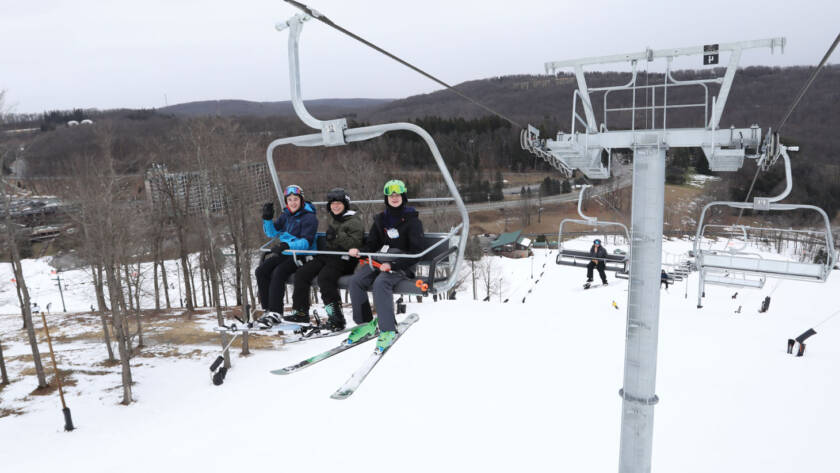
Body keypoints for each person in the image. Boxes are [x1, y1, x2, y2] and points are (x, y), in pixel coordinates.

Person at [346, 179, 425, 352]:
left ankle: (388, 329)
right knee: (356, 280)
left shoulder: (413, 221)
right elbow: (372, 244)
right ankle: (365, 324)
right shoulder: (381, 220)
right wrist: (360, 250)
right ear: (386, 198)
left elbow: (416, 251)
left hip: (403, 264)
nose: (394, 198)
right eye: (391, 195)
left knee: (381, 283)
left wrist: (393, 265)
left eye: (397, 195)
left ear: (403, 197)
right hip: (380, 260)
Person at [288, 188, 363, 331]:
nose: (335, 206)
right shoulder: (336, 220)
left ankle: (336, 318)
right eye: (332, 204)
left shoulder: (354, 220)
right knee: (302, 272)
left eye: (338, 203)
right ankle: (300, 312)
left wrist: (337, 236)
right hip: (330, 255)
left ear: (345, 204)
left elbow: (355, 244)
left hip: (345, 259)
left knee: (325, 278)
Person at [254, 184, 318, 325]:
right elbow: (272, 233)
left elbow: (306, 243)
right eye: (289, 200)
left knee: (278, 272)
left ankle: (276, 312)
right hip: (286, 252)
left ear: (301, 200)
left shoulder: (309, 218)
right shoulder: (286, 215)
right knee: (261, 270)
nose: (293, 203)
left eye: (295, 199)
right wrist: (267, 219)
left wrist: (287, 245)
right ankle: (268, 309)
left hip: (301, 255)